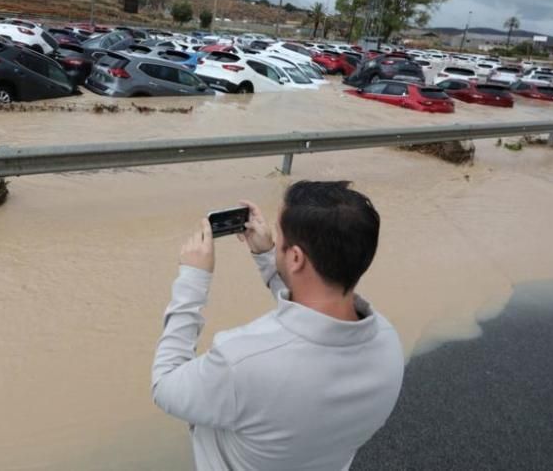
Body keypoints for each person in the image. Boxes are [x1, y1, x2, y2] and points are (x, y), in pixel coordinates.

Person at [152, 181, 404, 470]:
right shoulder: (388, 343)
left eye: (279, 234)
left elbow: (165, 384)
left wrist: (192, 281)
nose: (275, 238)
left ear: (296, 257)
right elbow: (314, 313)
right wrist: (268, 257)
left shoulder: (242, 363)